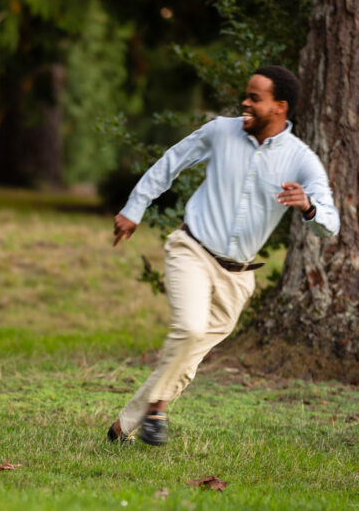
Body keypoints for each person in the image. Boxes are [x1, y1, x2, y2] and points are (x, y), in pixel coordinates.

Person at [108, 65, 339, 446]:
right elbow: (171, 162)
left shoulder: (301, 160)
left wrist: (310, 207)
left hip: (238, 277)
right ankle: (158, 412)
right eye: (245, 96)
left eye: (255, 98)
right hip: (192, 250)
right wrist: (135, 208)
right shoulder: (220, 131)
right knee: (191, 330)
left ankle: (123, 428)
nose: (244, 103)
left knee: (188, 359)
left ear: (280, 107)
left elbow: (330, 224)